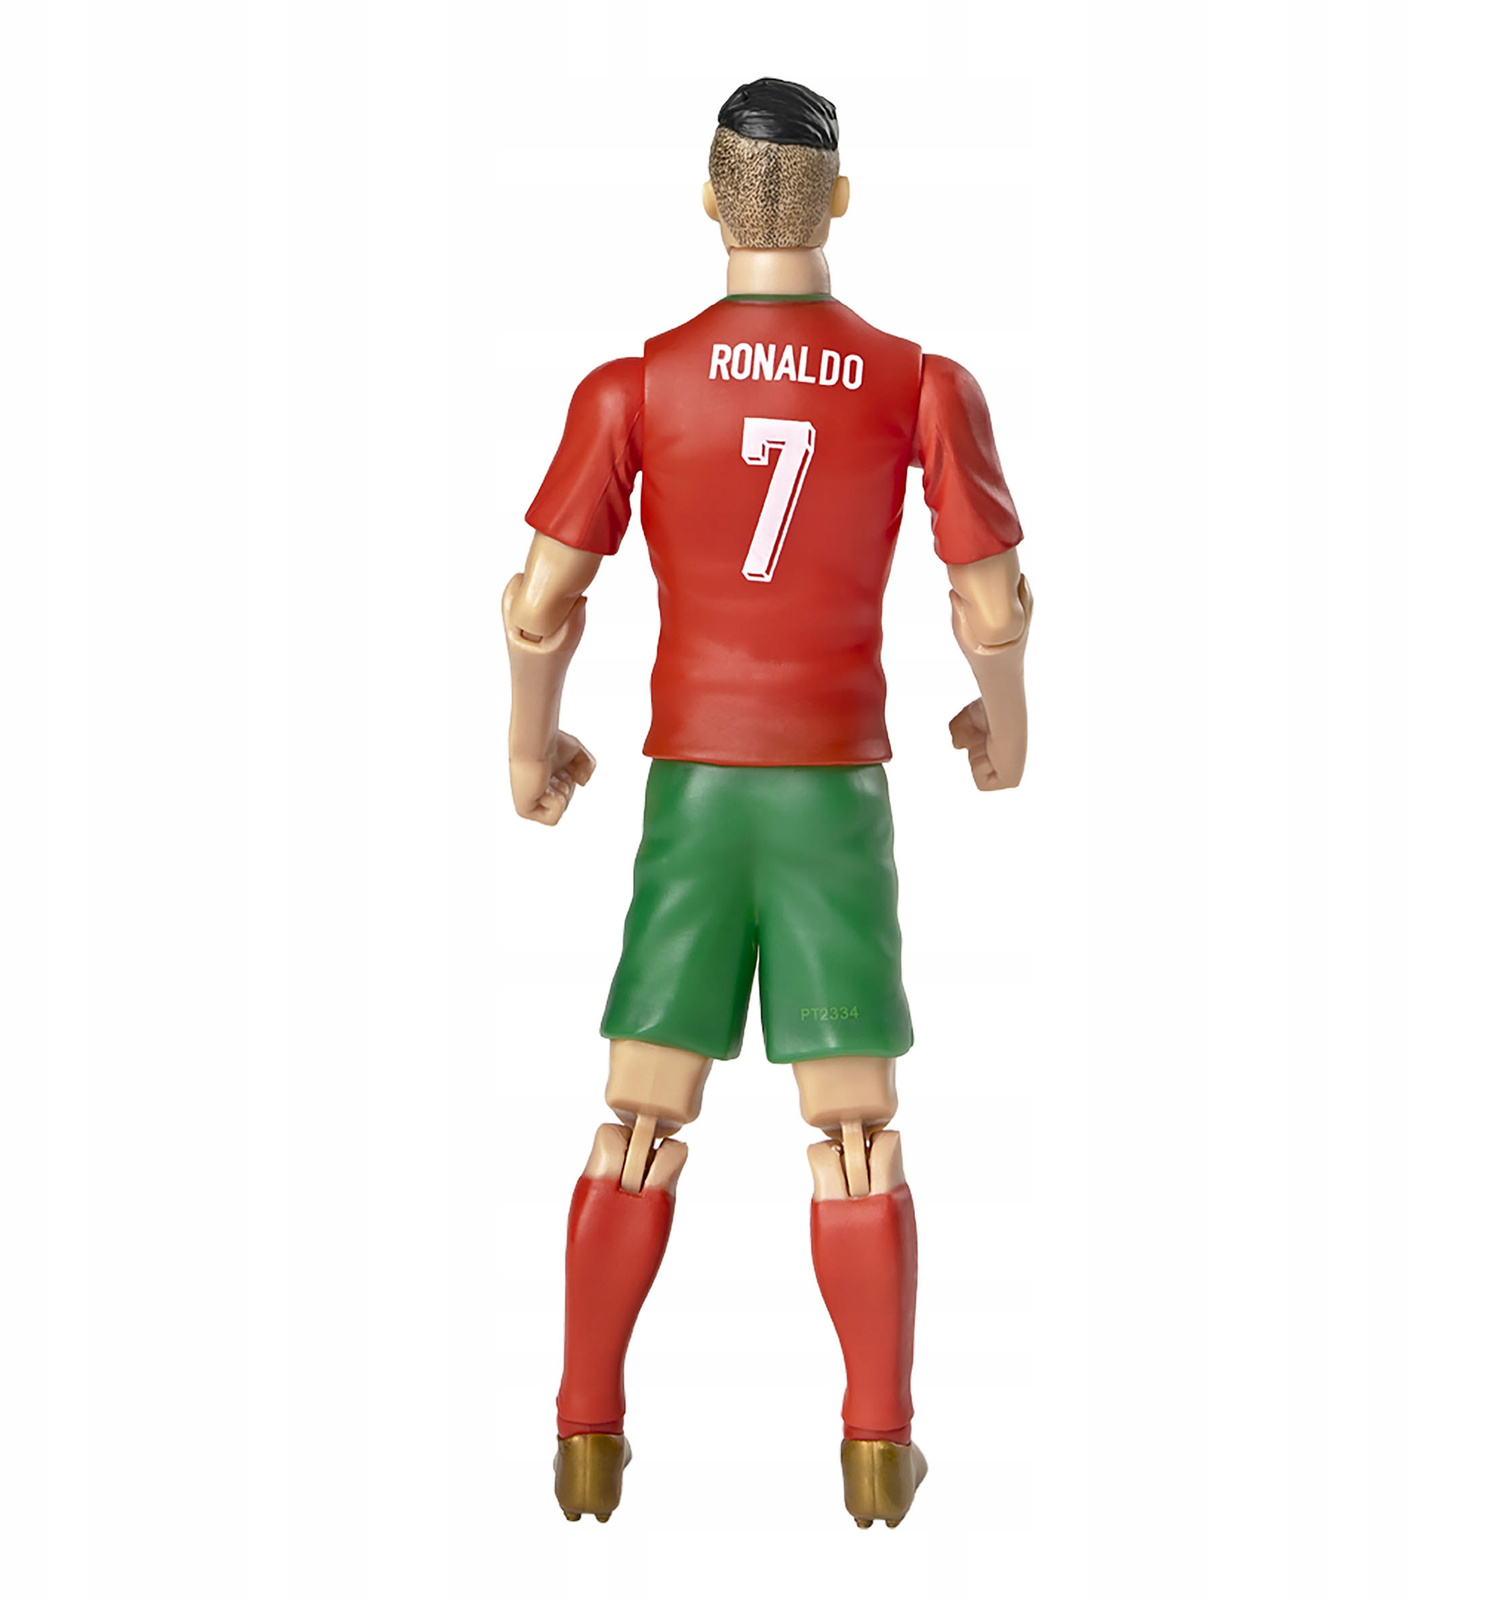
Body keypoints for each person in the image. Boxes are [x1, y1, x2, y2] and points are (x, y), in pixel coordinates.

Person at [504, 77, 1030, 1527]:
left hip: (694, 790)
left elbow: (540, 605)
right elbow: (992, 606)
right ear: (839, 203)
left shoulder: (633, 386)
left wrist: (530, 749)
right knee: (854, 1126)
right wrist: (1005, 726)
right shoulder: (919, 383)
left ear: (708, 201)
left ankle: (586, 1435)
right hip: (832, 794)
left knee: (637, 1113)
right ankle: (876, 1447)